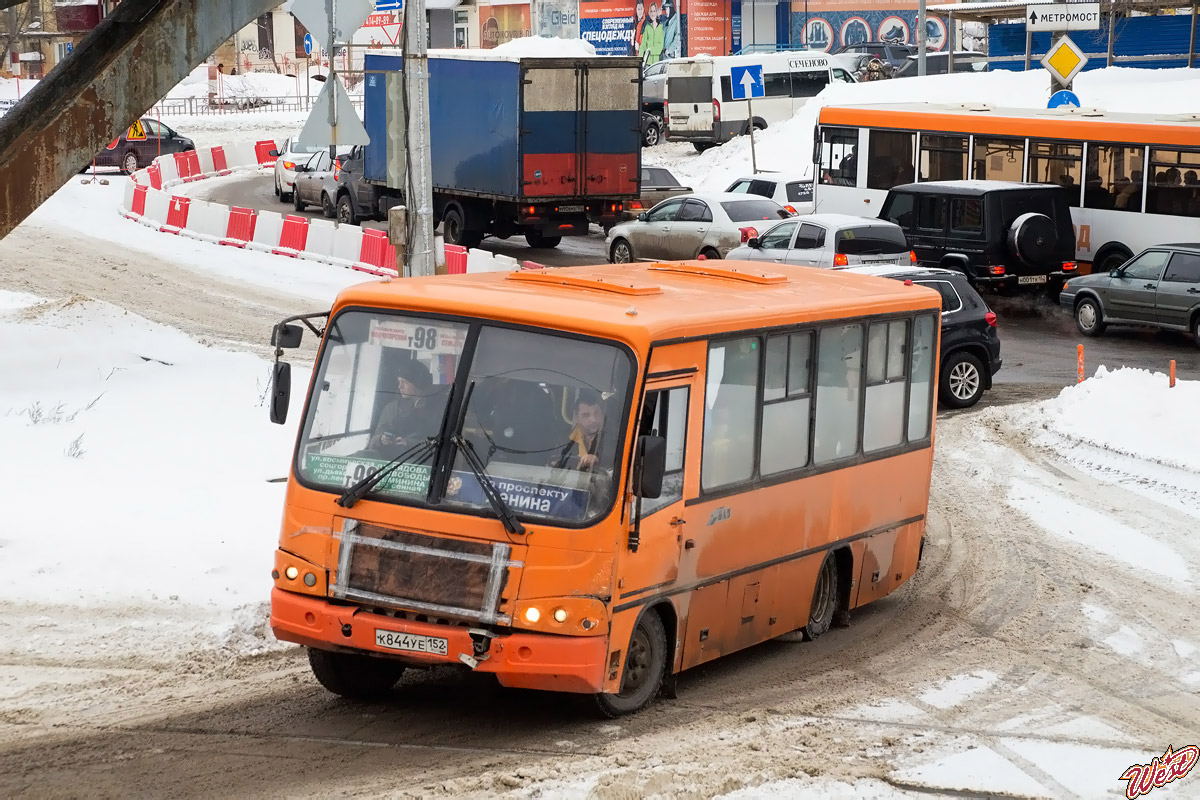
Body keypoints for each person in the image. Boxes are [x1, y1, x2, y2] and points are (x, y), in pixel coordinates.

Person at [368, 359, 440, 453]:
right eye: (399, 382)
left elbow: (438, 445)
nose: (400, 386)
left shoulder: (436, 409)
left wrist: (408, 443)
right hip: (386, 458)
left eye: (405, 382)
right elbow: (372, 442)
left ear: (417, 383)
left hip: (416, 460)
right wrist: (380, 439)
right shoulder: (392, 408)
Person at [554, 389, 609, 472]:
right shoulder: (564, 440)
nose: (593, 419)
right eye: (586, 415)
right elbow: (555, 465)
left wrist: (597, 461)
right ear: (577, 418)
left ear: (603, 414)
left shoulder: (615, 440)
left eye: (597, 413)